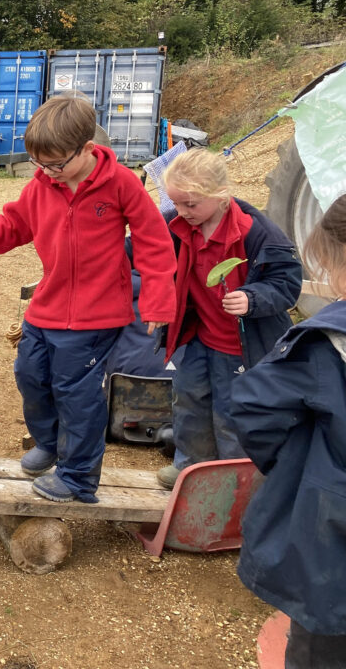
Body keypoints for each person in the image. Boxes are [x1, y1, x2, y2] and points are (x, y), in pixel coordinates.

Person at [0, 95, 176, 503]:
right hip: (47, 309)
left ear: (87, 148)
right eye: (40, 164)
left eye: (55, 164)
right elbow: (12, 226)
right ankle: (49, 444)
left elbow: (155, 244)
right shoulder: (42, 184)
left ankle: (78, 477)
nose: (47, 172)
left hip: (97, 316)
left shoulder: (121, 184)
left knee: (77, 394)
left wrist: (157, 301)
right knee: (31, 377)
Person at [230, 193, 346, 667]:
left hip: (332, 544)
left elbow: (257, 410)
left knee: (322, 645)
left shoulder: (326, 344)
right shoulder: (179, 228)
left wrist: (293, 465)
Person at [156, 148, 302, 489]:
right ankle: (191, 467)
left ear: (221, 196)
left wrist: (253, 298)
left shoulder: (259, 233)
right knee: (188, 400)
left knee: (232, 413)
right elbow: (146, 252)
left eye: (191, 204)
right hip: (197, 335)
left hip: (242, 347)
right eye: (176, 203)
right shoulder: (177, 224)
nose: (182, 212)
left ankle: (233, 481)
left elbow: (287, 284)